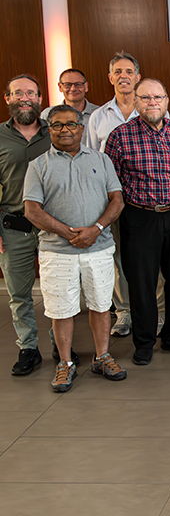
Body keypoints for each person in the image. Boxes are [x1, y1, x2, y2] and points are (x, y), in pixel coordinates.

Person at [23, 105, 126, 392]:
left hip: (99, 247)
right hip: (57, 251)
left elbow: (117, 200)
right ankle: (65, 363)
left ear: (81, 128)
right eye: (57, 125)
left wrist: (97, 229)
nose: (65, 130)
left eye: (71, 124)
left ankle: (102, 356)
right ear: (49, 129)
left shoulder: (101, 160)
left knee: (101, 304)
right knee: (62, 309)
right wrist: (68, 233)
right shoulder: (38, 165)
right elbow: (32, 210)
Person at [105, 78, 170, 366]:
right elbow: (111, 181)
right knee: (142, 282)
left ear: (167, 100)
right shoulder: (120, 136)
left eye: (158, 97)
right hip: (139, 216)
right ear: (135, 101)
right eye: (145, 98)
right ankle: (144, 341)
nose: (152, 102)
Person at [84, 52, 165, 337]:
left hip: (148, 199)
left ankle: (156, 312)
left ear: (138, 77)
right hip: (113, 200)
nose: (123, 76)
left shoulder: (155, 109)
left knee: (153, 259)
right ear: (110, 78)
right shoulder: (98, 117)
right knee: (118, 257)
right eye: (118, 71)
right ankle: (125, 312)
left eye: (129, 71)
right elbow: (91, 161)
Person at [1, 75, 56, 375]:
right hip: (14, 227)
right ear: (7, 98)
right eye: (18, 93)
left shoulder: (56, 133)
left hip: (52, 226)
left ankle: (61, 344)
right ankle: (28, 348)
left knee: (55, 290)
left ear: (40, 99)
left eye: (31, 93)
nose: (25, 98)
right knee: (19, 294)